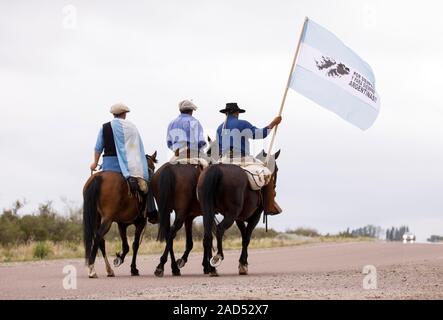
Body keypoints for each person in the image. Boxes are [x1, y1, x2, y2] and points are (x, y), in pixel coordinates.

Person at [90, 102, 158, 221]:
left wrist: (95, 163)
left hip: (107, 166)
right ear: (124, 114)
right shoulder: (131, 127)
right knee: (147, 183)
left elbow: (98, 147)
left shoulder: (104, 127)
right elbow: (136, 148)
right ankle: (150, 212)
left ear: (113, 114)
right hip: (128, 167)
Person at [216, 102, 282, 215]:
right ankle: (269, 206)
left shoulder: (219, 128)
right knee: (267, 173)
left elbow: (219, 148)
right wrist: (273, 123)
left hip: (224, 160)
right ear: (237, 113)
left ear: (226, 113)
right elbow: (260, 134)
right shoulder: (242, 124)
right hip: (241, 159)